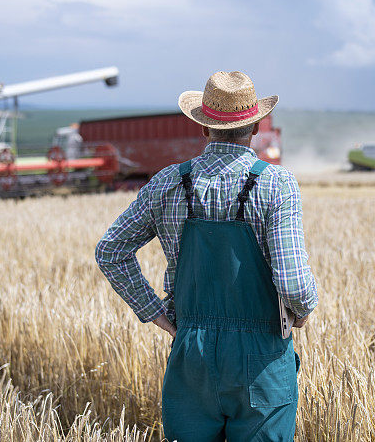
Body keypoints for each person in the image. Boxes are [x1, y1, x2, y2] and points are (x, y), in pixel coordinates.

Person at [96, 71, 318, 441]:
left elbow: (111, 250)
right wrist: (303, 308)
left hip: (191, 354)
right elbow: (293, 281)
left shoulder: (166, 183)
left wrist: (157, 314)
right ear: (258, 125)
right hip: (261, 356)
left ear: (204, 129)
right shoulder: (277, 184)